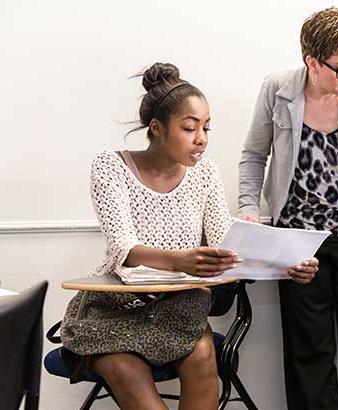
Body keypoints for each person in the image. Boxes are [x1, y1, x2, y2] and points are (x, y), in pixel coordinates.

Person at [60, 62, 318, 410]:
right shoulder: (110, 166)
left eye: (207, 129)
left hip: (179, 308)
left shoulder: (205, 174)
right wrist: (182, 259)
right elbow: (123, 247)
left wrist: (289, 264)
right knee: (124, 367)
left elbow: (228, 242)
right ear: (157, 128)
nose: (202, 140)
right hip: (114, 308)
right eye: (189, 128)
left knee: (201, 356)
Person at [238, 7, 338, 410]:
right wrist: (250, 211)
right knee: (309, 350)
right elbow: (254, 156)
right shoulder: (278, 90)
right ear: (312, 62)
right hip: (296, 240)